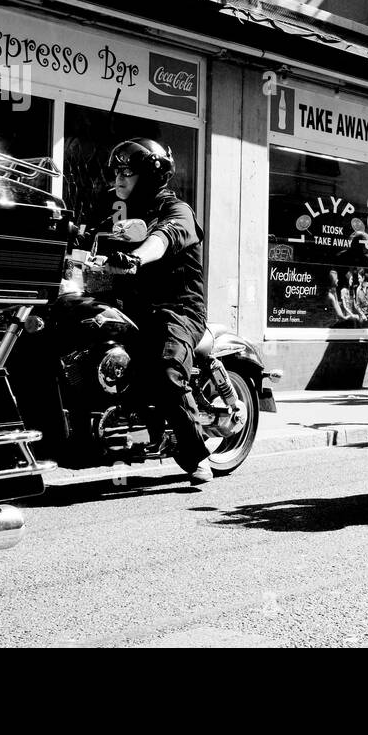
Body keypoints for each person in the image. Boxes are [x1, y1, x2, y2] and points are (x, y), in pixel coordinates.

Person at [91, 138, 214, 484]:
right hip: (130, 308)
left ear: (149, 176)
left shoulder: (176, 211)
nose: (119, 179)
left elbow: (163, 238)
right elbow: (83, 236)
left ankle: (195, 455)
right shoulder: (116, 209)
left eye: (128, 172)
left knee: (165, 369)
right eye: (116, 171)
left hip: (177, 310)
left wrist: (135, 257)